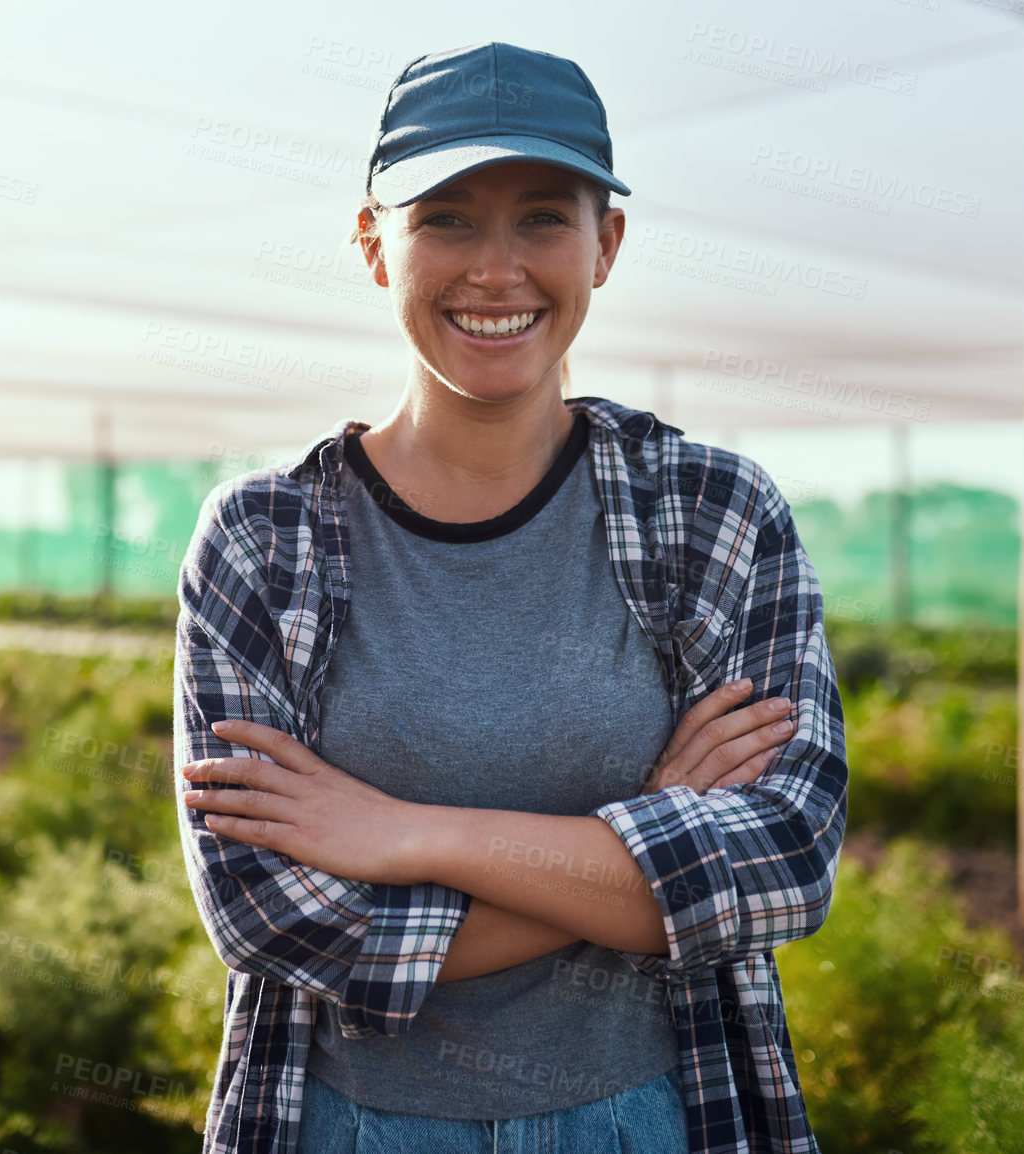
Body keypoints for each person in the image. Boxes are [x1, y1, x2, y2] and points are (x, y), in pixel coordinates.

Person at [171, 41, 846, 1154]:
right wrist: (645, 845)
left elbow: (782, 860)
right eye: (445, 218)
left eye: (542, 216)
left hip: (649, 1115)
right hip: (347, 1121)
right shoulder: (264, 539)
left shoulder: (713, 512)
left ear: (606, 244)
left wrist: (399, 832)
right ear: (373, 245)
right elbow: (269, 914)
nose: (497, 269)